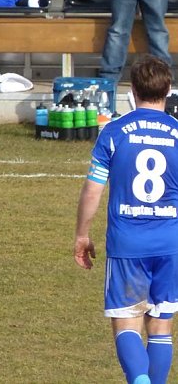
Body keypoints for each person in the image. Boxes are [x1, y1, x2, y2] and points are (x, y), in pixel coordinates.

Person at [74, 55, 178, 384]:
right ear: (168, 89)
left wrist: (82, 235)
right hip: (170, 243)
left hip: (127, 244)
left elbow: (93, 190)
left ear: (132, 90)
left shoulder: (115, 132)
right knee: (161, 325)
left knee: (126, 323)